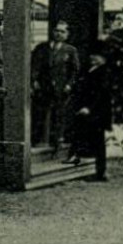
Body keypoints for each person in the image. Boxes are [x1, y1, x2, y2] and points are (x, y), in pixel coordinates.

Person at [67, 42, 114, 181]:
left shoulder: (105, 72)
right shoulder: (89, 69)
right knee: (86, 137)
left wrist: (89, 108)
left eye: (97, 56)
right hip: (87, 110)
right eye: (92, 55)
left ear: (104, 58)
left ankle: (100, 172)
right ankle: (82, 161)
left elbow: (100, 94)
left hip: (97, 112)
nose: (93, 58)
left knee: (99, 142)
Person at [31, 22, 80, 151]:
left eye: (62, 32)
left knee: (60, 113)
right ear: (52, 32)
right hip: (44, 86)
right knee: (43, 112)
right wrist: (34, 80)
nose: (59, 34)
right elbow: (35, 66)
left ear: (67, 35)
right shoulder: (42, 48)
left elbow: (75, 71)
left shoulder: (70, 50)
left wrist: (69, 84)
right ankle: (43, 139)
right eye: (57, 31)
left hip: (61, 86)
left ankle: (58, 139)